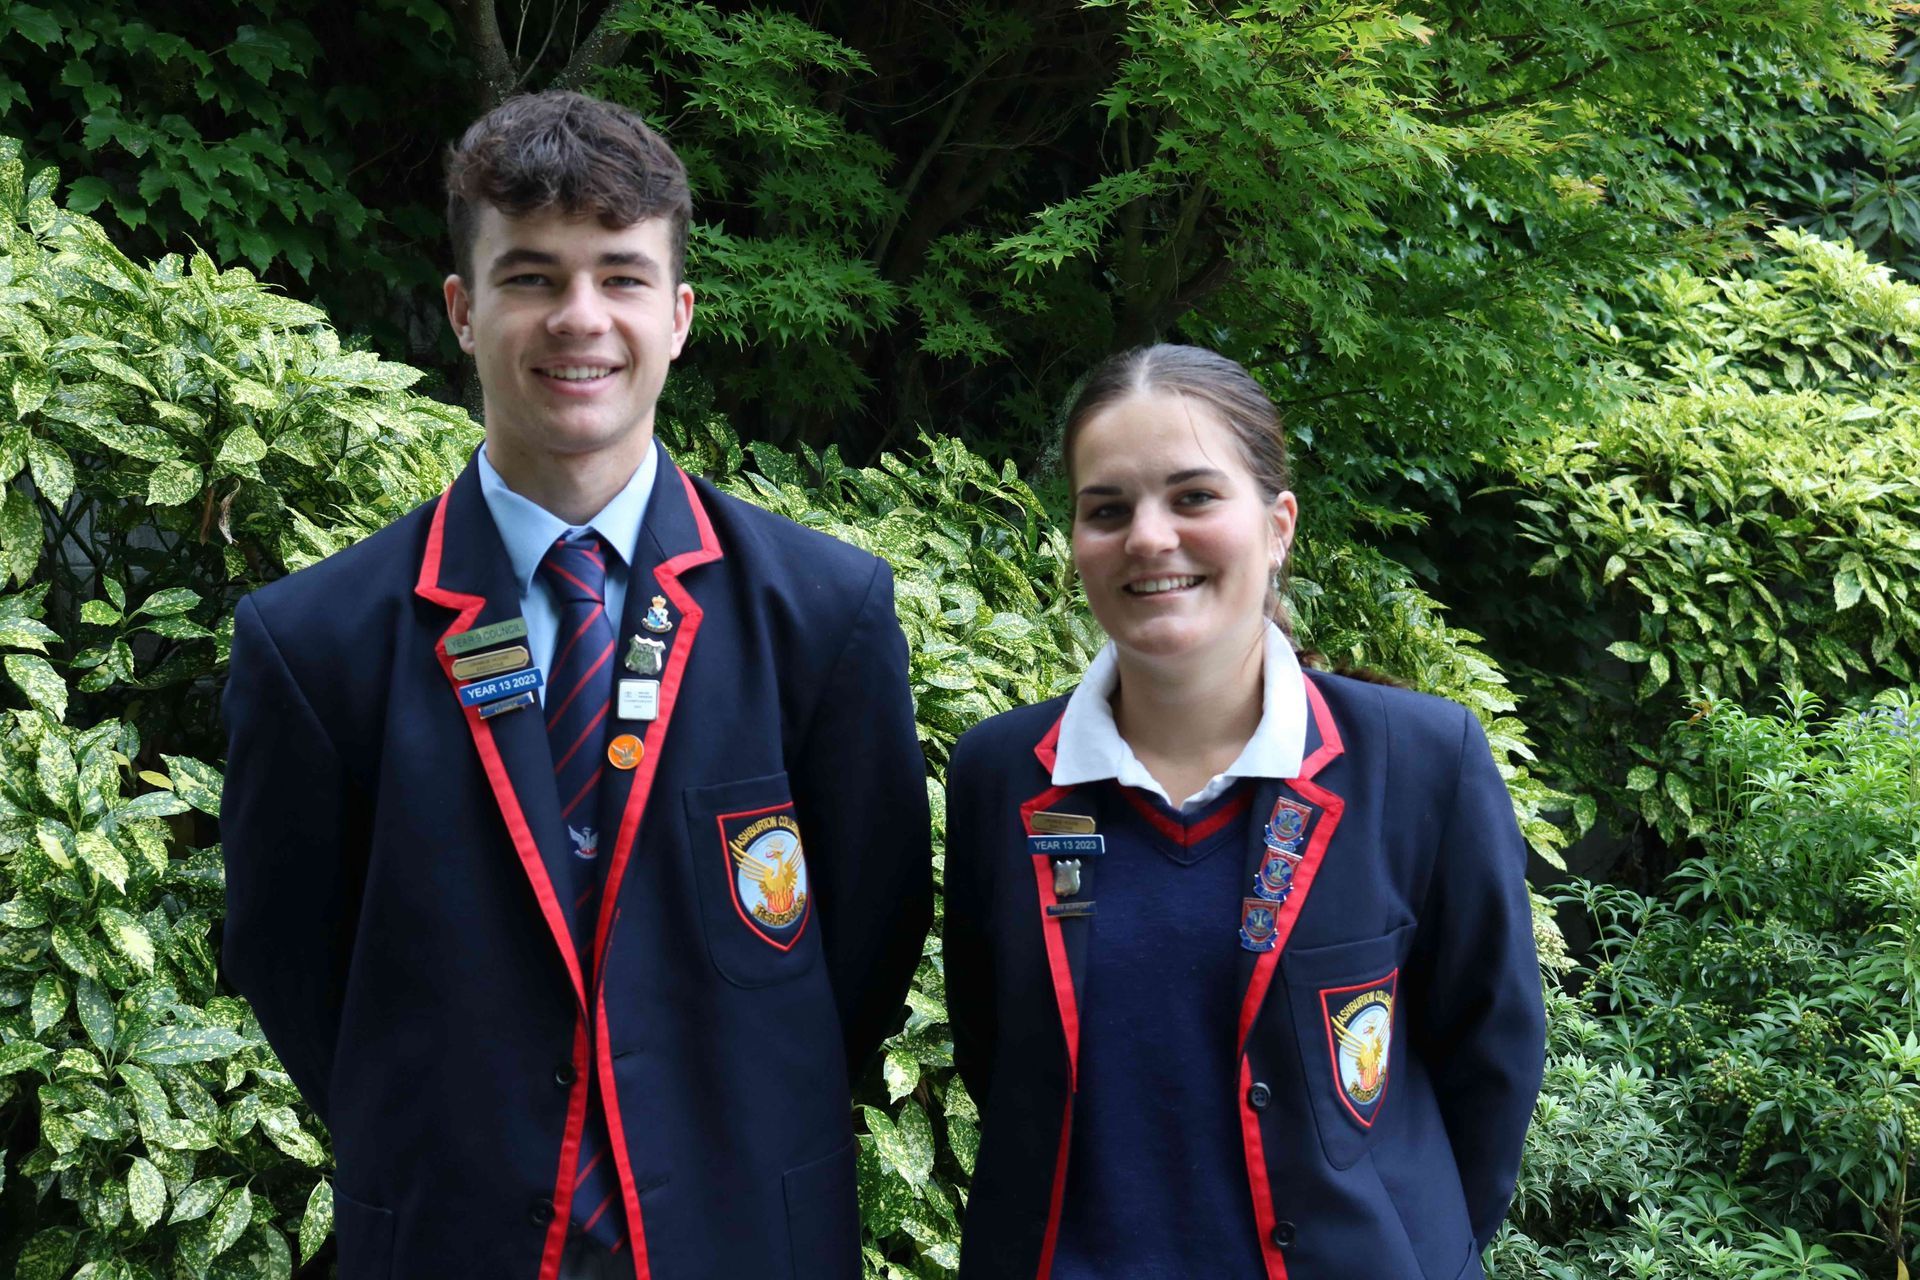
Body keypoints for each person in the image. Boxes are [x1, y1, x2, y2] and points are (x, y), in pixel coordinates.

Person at [220, 91, 931, 1280]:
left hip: (742, 1233)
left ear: (681, 313)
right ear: (462, 308)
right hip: (455, 1237)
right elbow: (296, 965)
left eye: (622, 275)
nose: (581, 319)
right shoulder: (316, 642)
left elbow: (866, 943)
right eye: (533, 276)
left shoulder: (824, 618)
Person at [942, 344, 1544, 1280]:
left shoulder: (1421, 764)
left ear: (1277, 526)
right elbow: (999, 1055)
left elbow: (1492, 1061)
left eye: (1192, 497)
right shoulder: (1002, 777)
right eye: (1108, 509)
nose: (1147, 537)